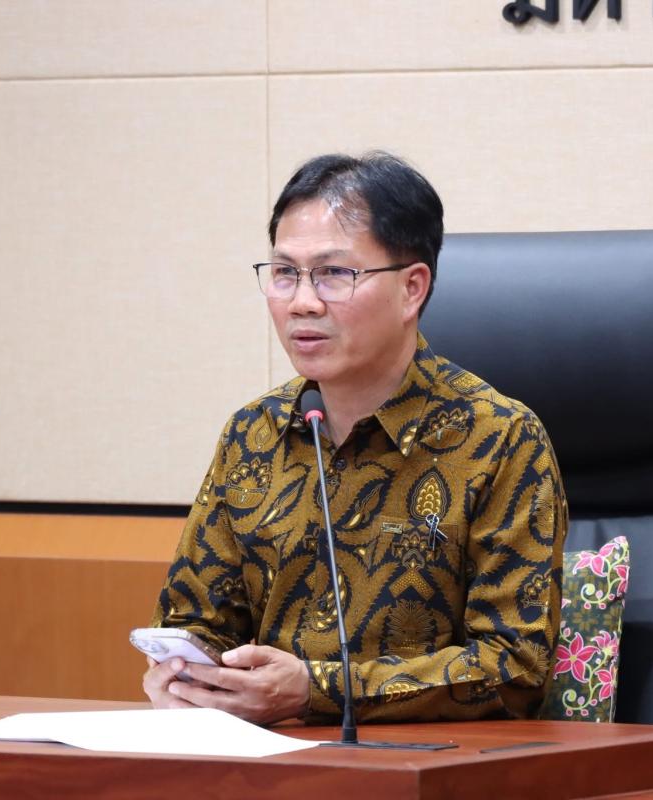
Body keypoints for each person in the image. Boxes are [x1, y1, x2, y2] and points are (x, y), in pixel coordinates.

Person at [145, 152, 567, 726]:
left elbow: (513, 666)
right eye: (285, 273)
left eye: (334, 274)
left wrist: (315, 690)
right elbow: (196, 621)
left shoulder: (499, 440)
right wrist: (184, 673)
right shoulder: (253, 433)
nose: (302, 302)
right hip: (262, 756)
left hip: (432, 761)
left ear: (412, 288)